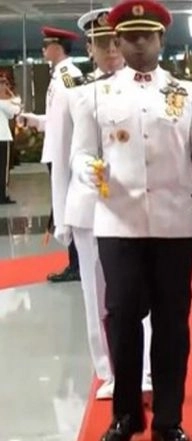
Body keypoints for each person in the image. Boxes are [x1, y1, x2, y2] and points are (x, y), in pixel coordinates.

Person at [69, 1, 192, 439]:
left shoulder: (190, 94)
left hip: (174, 226)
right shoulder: (93, 95)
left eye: (148, 36)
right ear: (116, 42)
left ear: (161, 40)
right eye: (131, 38)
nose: (140, 45)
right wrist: (88, 169)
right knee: (122, 319)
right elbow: (81, 152)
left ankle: (168, 419)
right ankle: (125, 414)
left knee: (171, 325)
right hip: (118, 224)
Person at [48, 7, 155, 401]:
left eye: (115, 41)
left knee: (139, 293)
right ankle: (107, 371)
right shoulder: (73, 94)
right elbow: (60, 159)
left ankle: (144, 370)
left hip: (134, 209)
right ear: (89, 49)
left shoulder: (145, 88)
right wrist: (61, 216)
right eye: (100, 43)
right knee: (97, 297)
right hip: (88, 210)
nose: (110, 50)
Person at [18, 26, 83, 283]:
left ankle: (78, 264)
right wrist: (34, 120)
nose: (43, 50)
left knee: (69, 210)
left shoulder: (69, 74)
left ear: (57, 47)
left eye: (46, 45)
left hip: (65, 152)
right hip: (57, 149)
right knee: (64, 208)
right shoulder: (59, 76)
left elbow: (79, 111)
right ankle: (75, 262)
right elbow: (58, 119)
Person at [0, 73, 21, 204]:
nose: (5, 86)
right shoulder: (2, 103)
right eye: (2, 83)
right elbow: (15, 110)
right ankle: (2, 196)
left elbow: (8, 115)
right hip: (2, 138)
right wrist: (12, 95)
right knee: (3, 169)